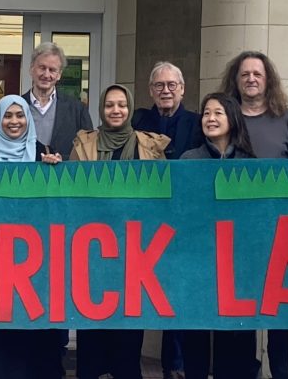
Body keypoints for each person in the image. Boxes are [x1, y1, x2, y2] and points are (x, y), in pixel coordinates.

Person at [0, 95, 63, 379]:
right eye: (8, 115)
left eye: (20, 115)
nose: (14, 121)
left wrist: (57, 173)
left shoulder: (44, 151)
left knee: (34, 346)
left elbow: (57, 205)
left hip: (35, 267)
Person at [71, 84, 169, 379]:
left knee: (127, 333)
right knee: (91, 327)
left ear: (129, 109)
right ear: (101, 109)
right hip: (93, 251)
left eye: (122, 105)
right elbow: (71, 191)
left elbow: (160, 195)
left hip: (133, 253)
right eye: (110, 105)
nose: (116, 111)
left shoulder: (147, 146)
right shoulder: (83, 143)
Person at [220, 50, 288, 378]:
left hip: (279, 233)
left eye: (257, 74)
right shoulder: (224, 116)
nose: (251, 79)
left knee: (279, 315)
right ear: (235, 80)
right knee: (239, 314)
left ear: (268, 80)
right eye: (245, 74)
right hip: (234, 235)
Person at [129, 61, 201, 379]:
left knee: (178, 295)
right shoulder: (139, 119)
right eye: (159, 86)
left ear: (182, 89)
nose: (166, 91)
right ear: (150, 91)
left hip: (183, 222)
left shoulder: (197, 122)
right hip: (145, 223)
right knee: (141, 293)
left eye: (172, 85)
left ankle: (176, 365)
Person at [179, 93, 258, 378]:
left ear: (232, 120)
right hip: (197, 264)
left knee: (235, 342)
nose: (210, 119)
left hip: (237, 267)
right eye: (206, 113)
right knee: (196, 339)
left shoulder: (250, 163)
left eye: (217, 113)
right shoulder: (189, 160)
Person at [23, 42, 93, 159]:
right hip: (23, 174)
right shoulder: (16, 106)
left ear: (59, 75)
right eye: (42, 68)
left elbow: (87, 150)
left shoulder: (77, 109)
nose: (46, 74)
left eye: (52, 70)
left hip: (64, 175)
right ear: (31, 69)